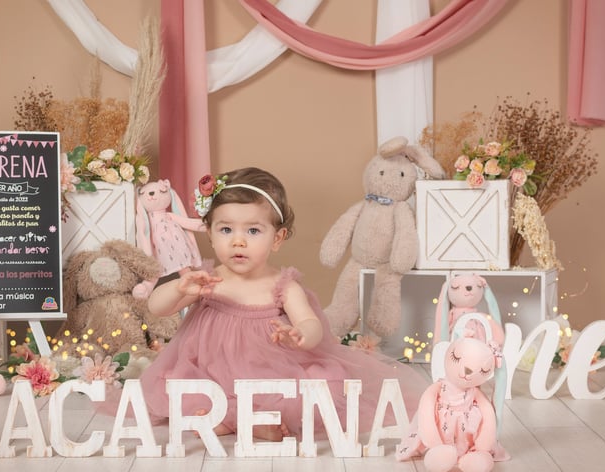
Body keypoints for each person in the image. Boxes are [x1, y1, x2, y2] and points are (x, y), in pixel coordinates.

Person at [135, 166, 427, 440]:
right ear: (209, 233)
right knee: (177, 385)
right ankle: (231, 418)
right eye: (226, 230)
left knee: (325, 382)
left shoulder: (283, 285)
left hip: (271, 372)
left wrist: (300, 335)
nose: (238, 241)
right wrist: (179, 288)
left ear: (277, 238)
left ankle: (251, 419)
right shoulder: (206, 280)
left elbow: (310, 323)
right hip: (211, 371)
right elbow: (158, 308)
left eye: (253, 231)